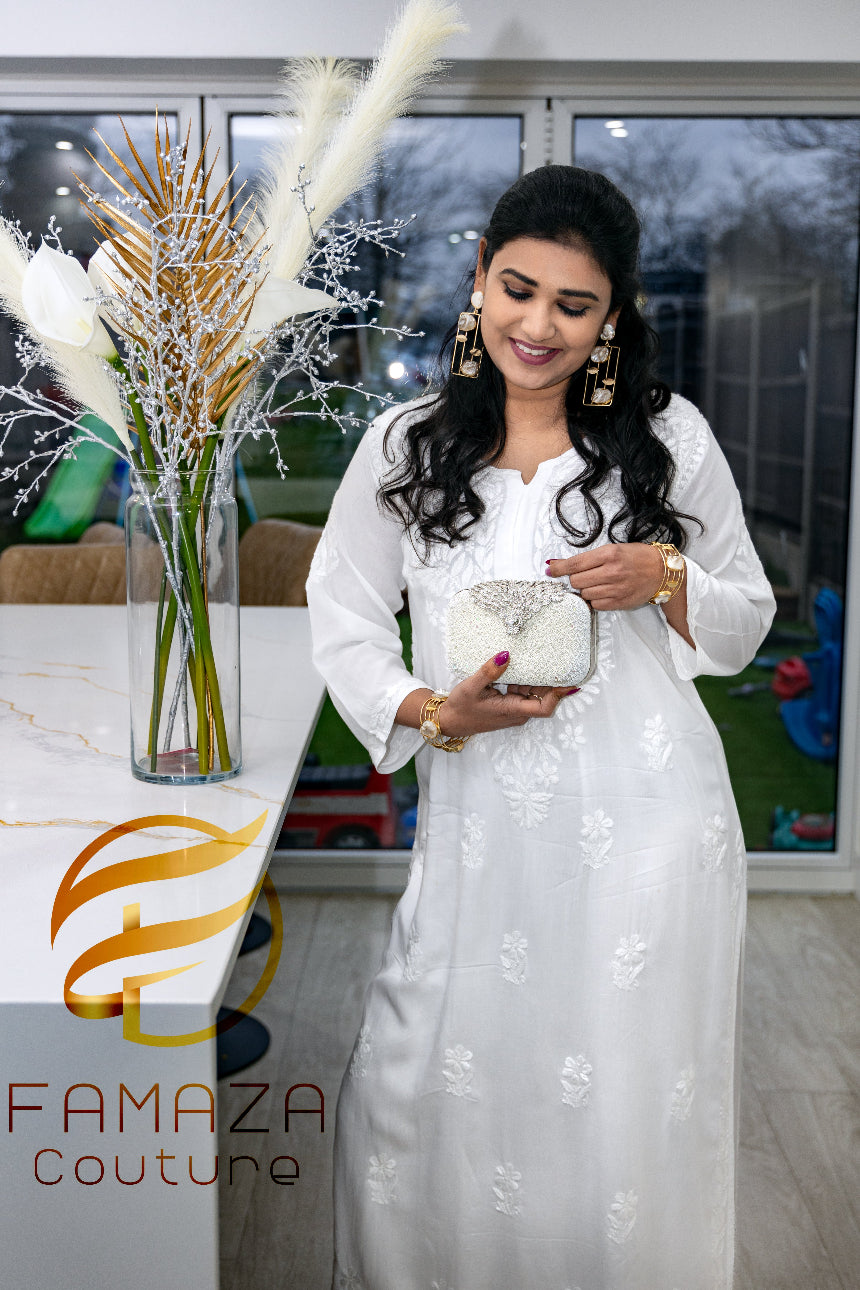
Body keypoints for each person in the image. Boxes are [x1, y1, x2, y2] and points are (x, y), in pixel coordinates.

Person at [306, 165, 775, 1290]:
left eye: (573, 305)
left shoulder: (664, 440)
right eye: (517, 290)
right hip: (480, 826)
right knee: (428, 1074)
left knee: (617, 1099)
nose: (538, 325)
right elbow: (343, 619)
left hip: (649, 828)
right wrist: (431, 709)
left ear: (611, 317)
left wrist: (663, 575)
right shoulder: (405, 445)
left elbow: (743, 615)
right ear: (477, 279)